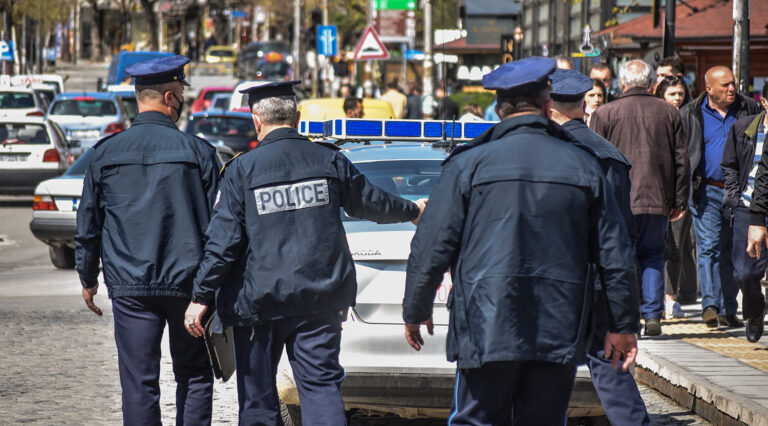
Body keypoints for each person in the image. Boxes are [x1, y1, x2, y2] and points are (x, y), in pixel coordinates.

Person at [403, 57, 639, 425]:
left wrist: (416, 309)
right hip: (558, 323)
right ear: (548, 105)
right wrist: (623, 324)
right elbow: (615, 253)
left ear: (497, 109)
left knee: (476, 419)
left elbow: (432, 243)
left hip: (485, 320)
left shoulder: (467, 164)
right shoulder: (585, 165)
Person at [184, 80, 427, 424]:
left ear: (256, 120)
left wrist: (201, 295)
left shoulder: (241, 171)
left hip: (259, 304)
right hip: (320, 297)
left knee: (258, 403)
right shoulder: (328, 159)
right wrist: (413, 211)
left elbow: (223, 243)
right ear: (296, 117)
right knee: (321, 390)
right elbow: (373, 203)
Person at [75, 55, 219, 425]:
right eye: (181, 94)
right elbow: (220, 227)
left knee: (138, 383)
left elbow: (89, 223)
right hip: (189, 287)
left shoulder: (104, 153)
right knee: (195, 375)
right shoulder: (199, 152)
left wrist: (88, 278)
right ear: (171, 97)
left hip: (131, 286)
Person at [550, 67, 651, 426]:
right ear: (583, 104)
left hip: (555, 284)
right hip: (599, 282)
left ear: (547, 105)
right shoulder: (611, 155)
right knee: (611, 372)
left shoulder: (548, 151)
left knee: (546, 381)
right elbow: (623, 234)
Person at [590, 59, 690, 336]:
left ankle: (627, 317)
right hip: (658, 199)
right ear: (651, 84)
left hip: (617, 201)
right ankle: (652, 315)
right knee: (654, 255)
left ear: (622, 84)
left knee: (621, 258)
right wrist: (679, 201)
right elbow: (682, 160)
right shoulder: (669, 113)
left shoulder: (604, 114)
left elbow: (593, 162)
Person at [680, 66, 761, 328]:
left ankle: (728, 309)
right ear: (709, 89)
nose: (731, 89)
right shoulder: (691, 113)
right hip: (707, 189)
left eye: (733, 84)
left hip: (739, 192)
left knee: (731, 251)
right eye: (724, 85)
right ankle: (710, 305)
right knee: (708, 247)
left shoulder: (749, 109)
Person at [723, 84, 768, 342]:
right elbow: (729, 165)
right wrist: (734, 195)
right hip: (747, 206)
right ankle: (754, 310)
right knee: (745, 271)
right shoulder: (743, 128)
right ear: (764, 103)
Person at [655, 75, 698, 318]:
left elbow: (691, 155)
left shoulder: (689, 117)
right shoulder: (656, 116)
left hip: (682, 190)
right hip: (656, 189)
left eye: (680, 93)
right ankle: (655, 296)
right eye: (672, 94)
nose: (677, 98)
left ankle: (671, 297)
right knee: (655, 245)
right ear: (661, 95)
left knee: (676, 246)